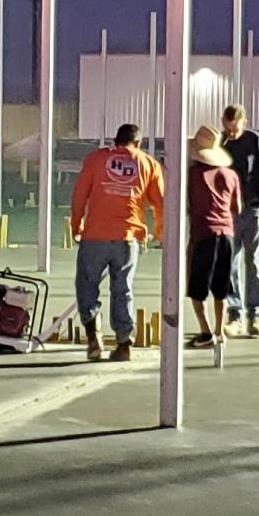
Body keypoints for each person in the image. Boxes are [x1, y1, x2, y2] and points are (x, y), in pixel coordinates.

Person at [66, 121, 163, 360]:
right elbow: (161, 202)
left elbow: (80, 193)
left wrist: (76, 223)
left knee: (87, 286)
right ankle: (123, 344)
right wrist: (159, 232)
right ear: (138, 143)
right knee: (123, 289)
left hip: (95, 236)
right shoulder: (148, 164)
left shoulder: (96, 159)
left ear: (115, 140)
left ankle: (93, 338)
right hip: (128, 238)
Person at [219, 104, 259, 337]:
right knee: (229, 263)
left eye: (234, 129)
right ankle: (235, 314)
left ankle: (256, 314)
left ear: (244, 122)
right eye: (227, 128)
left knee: (254, 263)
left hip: (253, 208)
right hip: (227, 212)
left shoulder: (255, 141)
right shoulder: (220, 143)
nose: (231, 133)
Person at [184, 126, 241, 350]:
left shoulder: (192, 175)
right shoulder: (231, 175)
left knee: (196, 288)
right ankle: (219, 331)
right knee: (221, 287)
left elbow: (186, 203)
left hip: (202, 234)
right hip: (226, 234)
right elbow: (237, 206)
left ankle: (206, 331)